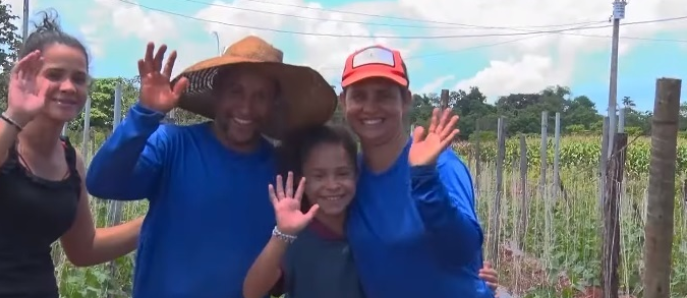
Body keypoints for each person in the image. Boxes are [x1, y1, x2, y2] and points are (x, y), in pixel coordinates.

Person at [84, 36, 336, 298]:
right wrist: (144, 115)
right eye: (235, 91)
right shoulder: (171, 145)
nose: (246, 107)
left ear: (273, 105)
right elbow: (101, 182)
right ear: (217, 93)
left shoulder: (283, 175)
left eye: (260, 96)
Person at [0, 13, 142, 298]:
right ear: (26, 78)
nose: (68, 86)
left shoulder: (71, 159)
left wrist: (154, 220)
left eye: (79, 79)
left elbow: (83, 248)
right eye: (54, 75)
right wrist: (15, 115)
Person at [241, 125, 501, 298]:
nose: (332, 185)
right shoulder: (297, 238)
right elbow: (252, 291)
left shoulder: (370, 225)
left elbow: (417, 258)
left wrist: (470, 279)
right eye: (319, 176)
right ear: (302, 180)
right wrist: (281, 235)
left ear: (358, 175)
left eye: (342, 173)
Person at [340, 45, 493, 297]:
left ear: (406, 100)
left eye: (384, 95)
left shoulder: (439, 165)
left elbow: (463, 250)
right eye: (359, 96)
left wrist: (424, 180)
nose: (370, 107)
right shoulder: (347, 176)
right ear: (343, 102)